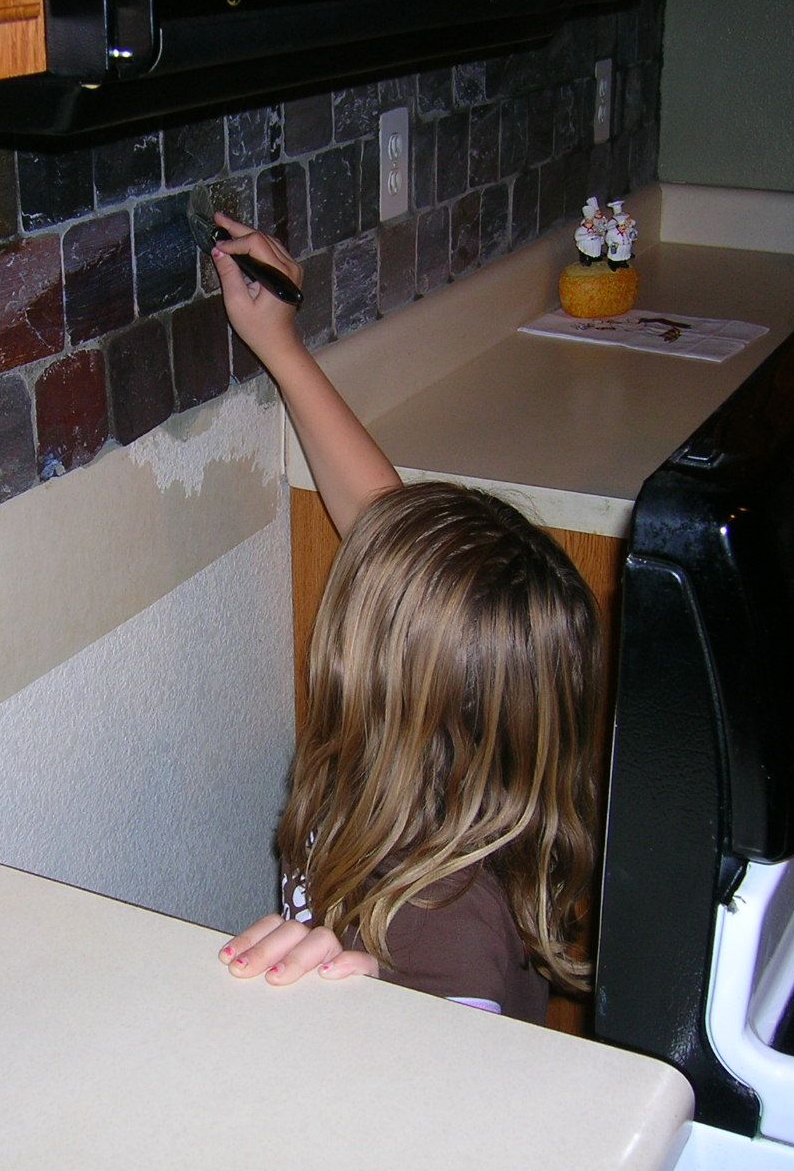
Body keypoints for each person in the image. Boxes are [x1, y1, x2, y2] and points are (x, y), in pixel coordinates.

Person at [206, 215, 603, 1023]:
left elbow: (454, 1095)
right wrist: (279, 344)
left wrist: (374, 1020)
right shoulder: (434, 772)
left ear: (391, 682)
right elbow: (381, 519)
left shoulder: (443, 926)